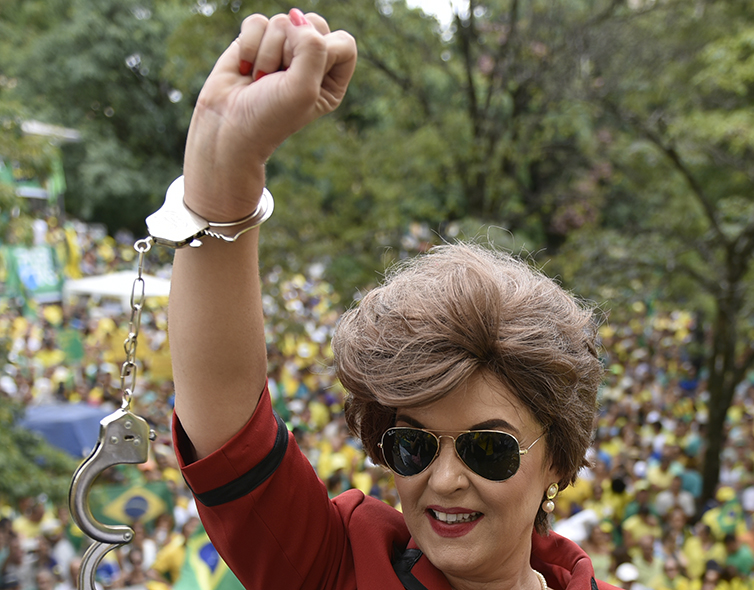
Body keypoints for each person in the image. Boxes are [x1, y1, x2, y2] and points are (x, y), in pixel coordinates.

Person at [167, 8, 614, 590]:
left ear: (557, 459)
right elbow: (229, 429)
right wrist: (222, 169)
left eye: (487, 448)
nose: (446, 479)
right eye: (413, 447)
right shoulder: (340, 568)